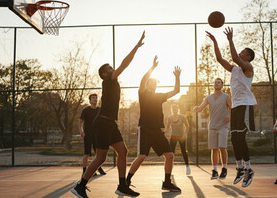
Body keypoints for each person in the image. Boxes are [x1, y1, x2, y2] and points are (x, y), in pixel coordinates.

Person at [71, 31, 145, 198]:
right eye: (110, 68)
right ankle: (80, 186)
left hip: (110, 123)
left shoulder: (112, 82)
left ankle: (122, 185)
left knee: (123, 151)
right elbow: (124, 64)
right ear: (105, 73)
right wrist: (136, 47)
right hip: (103, 123)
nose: (113, 69)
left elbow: (122, 66)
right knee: (100, 158)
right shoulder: (108, 80)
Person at [206, 27, 257, 188]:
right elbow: (220, 59)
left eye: (242, 52)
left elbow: (235, 57)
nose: (239, 53)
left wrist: (230, 39)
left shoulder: (248, 68)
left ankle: (249, 169)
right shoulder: (234, 69)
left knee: (240, 137)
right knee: (234, 138)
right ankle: (240, 168)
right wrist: (215, 42)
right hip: (235, 106)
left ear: (247, 57)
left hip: (246, 105)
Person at [126, 56, 182, 192]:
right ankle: (126, 181)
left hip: (157, 131)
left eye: (155, 82)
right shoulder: (143, 94)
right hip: (145, 129)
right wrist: (152, 68)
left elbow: (176, 91)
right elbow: (142, 80)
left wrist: (177, 77)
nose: (153, 84)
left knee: (169, 155)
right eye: (151, 82)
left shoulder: (159, 96)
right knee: (142, 157)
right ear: (147, 84)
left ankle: (167, 183)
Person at [194, 77, 231, 180]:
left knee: (222, 147)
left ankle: (224, 168)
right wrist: (197, 109)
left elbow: (232, 108)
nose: (216, 83)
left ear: (222, 85)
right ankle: (214, 170)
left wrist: (230, 117)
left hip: (223, 126)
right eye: (215, 82)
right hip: (212, 126)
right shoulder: (208, 98)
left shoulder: (226, 97)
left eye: (218, 82)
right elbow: (201, 107)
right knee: (214, 149)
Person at [78, 93, 105, 176]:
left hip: (97, 135)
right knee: (87, 153)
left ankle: (98, 168)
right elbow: (80, 122)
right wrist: (81, 131)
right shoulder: (86, 110)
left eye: (96, 98)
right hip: (88, 135)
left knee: (99, 154)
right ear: (90, 100)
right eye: (93, 98)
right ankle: (84, 171)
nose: (95, 99)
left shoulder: (100, 110)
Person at [165, 104, 191, 175]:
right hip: (173, 137)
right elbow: (167, 127)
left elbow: (187, 126)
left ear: (178, 109)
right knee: (171, 154)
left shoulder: (182, 117)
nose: (175, 110)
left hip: (181, 137)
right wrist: (163, 130)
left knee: (183, 152)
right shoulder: (170, 118)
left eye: (176, 109)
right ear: (172, 110)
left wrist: (185, 134)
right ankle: (171, 168)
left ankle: (187, 167)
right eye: (173, 109)